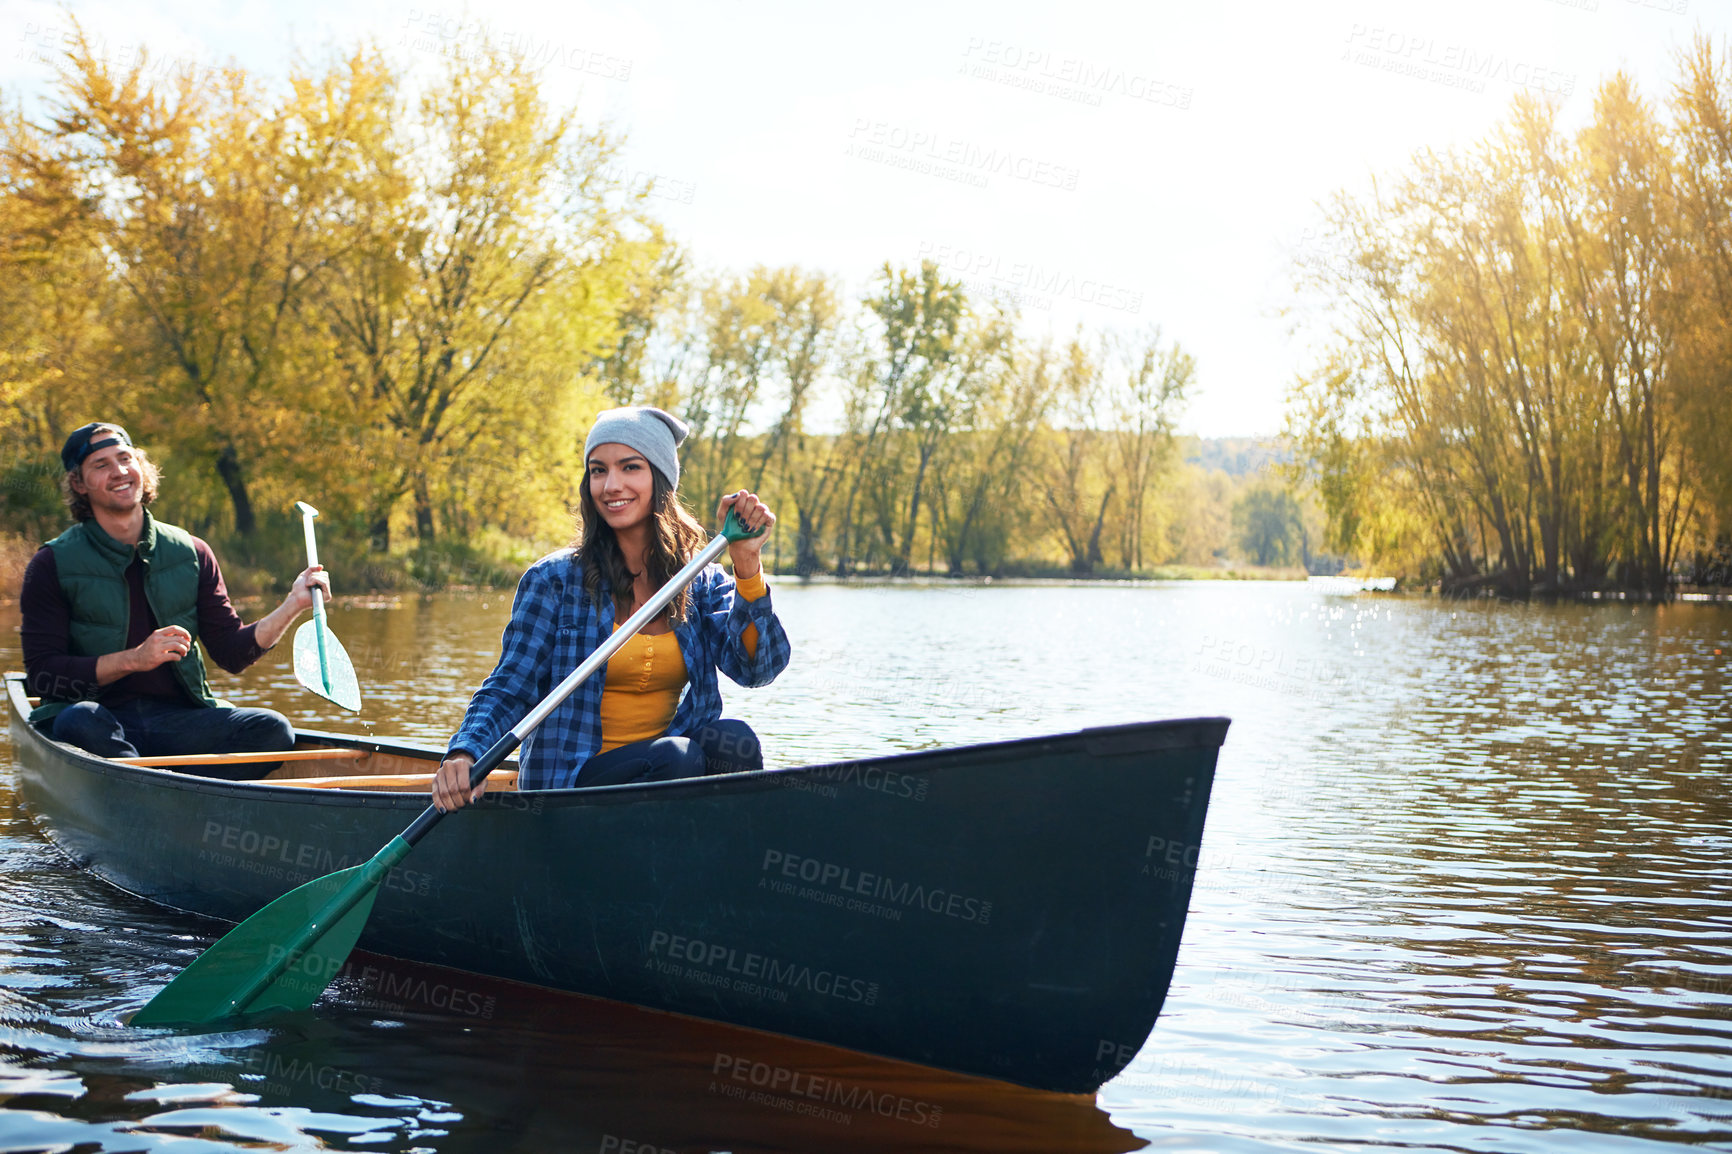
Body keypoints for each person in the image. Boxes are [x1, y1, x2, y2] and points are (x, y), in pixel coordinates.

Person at [433, 406, 790, 809]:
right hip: (574, 784)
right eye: (598, 470)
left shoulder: (699, 580)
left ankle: (714, 858)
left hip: (671, 768)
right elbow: (510, 686)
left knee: (736, 741)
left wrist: (746, 563)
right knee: (676, 756)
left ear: (660, 479)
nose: (610, 485)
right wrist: (465, 752)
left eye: (630, 467)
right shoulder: (554, 581)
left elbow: (758, 668)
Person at [20, 422, 332, 778]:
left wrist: (292, 603)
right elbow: (44, 677)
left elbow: (231, 653)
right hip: (99, 723)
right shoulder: (51, 563)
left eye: (125, 458)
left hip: (178, 720)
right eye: (101, 465)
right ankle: (161, 784)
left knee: (273, 728)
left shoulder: (192, 552)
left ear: (141, 466)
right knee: (78, 719)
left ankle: (173, 789)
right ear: (79, 484)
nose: (120, 471)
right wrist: (134, 660)